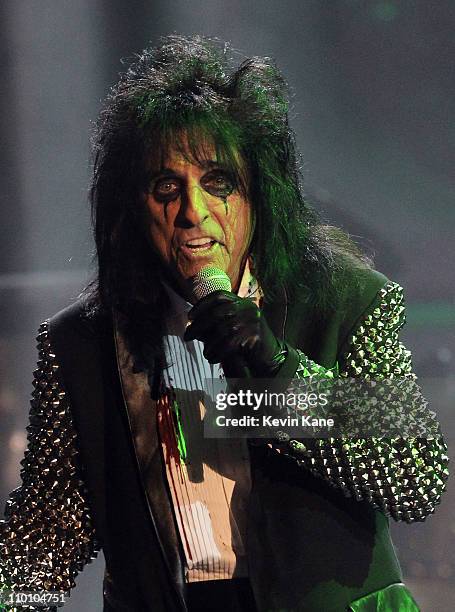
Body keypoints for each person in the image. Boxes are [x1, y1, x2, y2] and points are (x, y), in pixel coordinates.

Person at [0, 35, 449, 612]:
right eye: (167, 187)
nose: (194, 211)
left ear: (259, 196)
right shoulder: (81, 345)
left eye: (218, 182)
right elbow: (46, 535)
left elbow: (415, 475)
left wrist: (276, 368)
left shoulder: (343, 300)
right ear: (131, 208)